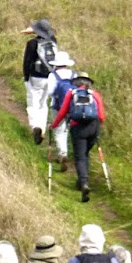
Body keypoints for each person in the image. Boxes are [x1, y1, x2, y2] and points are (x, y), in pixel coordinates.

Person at [50, 72, 106, 202]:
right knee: (85, 154)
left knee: (80, 157)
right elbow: (101, 116)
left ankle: (84, 182)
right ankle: (82, 181)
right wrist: (98, 126)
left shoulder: (71, 94)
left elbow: (62, 112)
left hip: (78, 128)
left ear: (76, 82)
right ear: (88, 83)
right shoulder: (95, 94)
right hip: (93, 127)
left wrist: (54, 125)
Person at [21, 19, 60, 145]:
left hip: (35, 77)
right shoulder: (53, 41)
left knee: (33, 102)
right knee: (43, 103)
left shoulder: (32, 43)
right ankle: (42, 129)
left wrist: (26, 78)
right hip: (50, 77)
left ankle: (35, 126)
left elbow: (27, 62)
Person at [43, 52, 76, 165]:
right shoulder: (73, 74)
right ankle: (67, 152)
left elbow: (50, 92)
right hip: (71, 107)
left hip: (57, 106)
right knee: (67, 129)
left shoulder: (53, 75)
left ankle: (62, 153)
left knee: (59, 129)